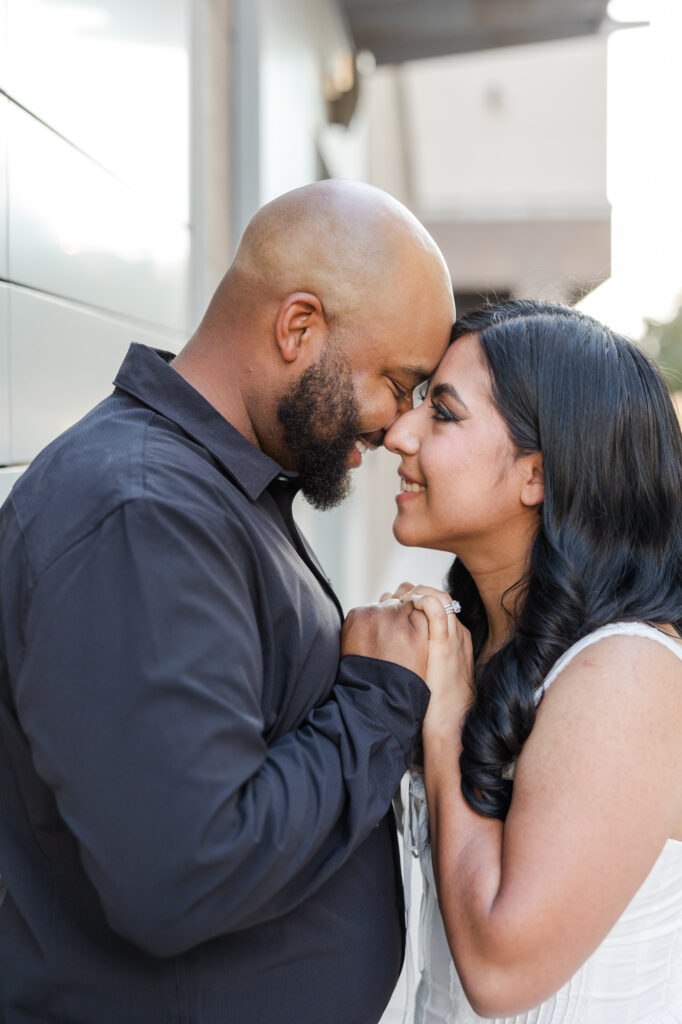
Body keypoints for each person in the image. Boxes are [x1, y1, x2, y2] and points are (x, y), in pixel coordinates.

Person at [0, 179, 455, 1024]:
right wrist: (377, 697)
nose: (398, 427)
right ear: (298, 327)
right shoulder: (141, 516)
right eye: (398, 381)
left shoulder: (214, 492)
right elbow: (184, 870)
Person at [381, 300, 682, 1022]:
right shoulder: (477, 643)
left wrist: (448, 713)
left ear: (537, 475)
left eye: (443, 414)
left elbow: (499, 969)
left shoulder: (627, 671)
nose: (399, 433)